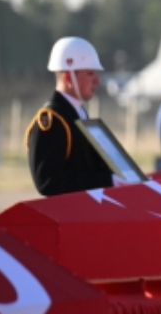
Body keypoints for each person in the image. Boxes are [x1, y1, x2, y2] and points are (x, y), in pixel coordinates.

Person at [27, 37, 117, 196]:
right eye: (90, 74)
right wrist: (108, 180)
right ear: (69, 78)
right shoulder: (52, 119)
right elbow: (47, 181)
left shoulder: (78, 113)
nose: (97, 80)